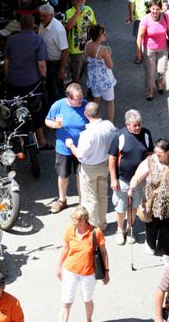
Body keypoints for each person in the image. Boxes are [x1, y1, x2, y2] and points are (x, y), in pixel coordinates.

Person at [129, 139, 169, 264]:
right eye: (156, 151)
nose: (157, 154)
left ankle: (166, 254)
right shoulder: (149, 162)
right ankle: (150, 243)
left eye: (160, 152)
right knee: (151, 227)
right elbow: (136, 178)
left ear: (168, 152)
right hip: (152, 204)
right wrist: (131, 188)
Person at [52, 205, 110, 322]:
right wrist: (59, 267)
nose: (72, 223)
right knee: (66, 303)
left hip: (88, 274)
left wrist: (106, 272)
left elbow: (103, 252)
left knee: (87, 299)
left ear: (84, 220)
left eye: (75, 220)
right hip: (70, 271)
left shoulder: (96, 233)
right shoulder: (70, 230)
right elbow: (66, 249)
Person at [65, 102, 116, 230]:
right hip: (104, 165)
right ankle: (102, 223)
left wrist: (71, 145)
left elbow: (80, 155)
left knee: (90, 199)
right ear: (100, 112)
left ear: (85, 114)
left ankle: (93, 227)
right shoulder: (109, 125)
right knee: (103, 196)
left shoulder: (87, 134)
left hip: (89, 169)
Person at [4, 14, 49, 149]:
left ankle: (16, 140)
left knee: (14, 108)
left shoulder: (11, 40)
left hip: (14, 81)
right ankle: (41, 141)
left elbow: (6, 63)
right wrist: (43, 76)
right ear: (33, 25)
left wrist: (8, 78)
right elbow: (41, 65)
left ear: (20, 25)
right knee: (36, 110)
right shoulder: (38, 40)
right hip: (32, 83)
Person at [108, 110, 153, 245]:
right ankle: (120, 230)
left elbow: (149, 154)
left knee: (133, 207)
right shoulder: (119, 136)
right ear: (128, 124)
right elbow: (112, 158)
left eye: (139, 124)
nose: (138, 127)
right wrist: (113, 179)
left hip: (139, 179)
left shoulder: (146, 133)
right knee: (121, 207)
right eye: (135, 125)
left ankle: (130, 228)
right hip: (122, 180)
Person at [45, 83, 88, 213]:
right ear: (68, 98)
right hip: (64, 148)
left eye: (81, 97)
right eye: (77, 98)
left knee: (81, 176)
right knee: (63, 175)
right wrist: (53, 124)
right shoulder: (58, 105)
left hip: (82, 149)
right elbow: (47, 120)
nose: (81, 100)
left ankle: (82, 203)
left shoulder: (86, 105)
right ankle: (62, 200)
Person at [136, 0, 169, 100]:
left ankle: (159, 82)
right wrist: (138, 51)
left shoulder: (165, 17)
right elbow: (140, 36)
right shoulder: (145, 20)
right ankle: (150, 90)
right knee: (150, 72)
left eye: (157, 9)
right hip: (149, 49)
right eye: (153, 9)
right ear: (149, 9)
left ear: (160, 9)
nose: (155, 11)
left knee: (162, 70)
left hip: (163, 48)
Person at [84, 24, 116, 122]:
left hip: (93, 78)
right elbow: (110, 65)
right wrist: (108, 54)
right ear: (98, 36)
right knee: (110, 101)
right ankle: (110, 123)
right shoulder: (102, 49)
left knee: (96, 101)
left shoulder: (88, 44)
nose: (105, 35)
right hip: (104, 79)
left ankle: (95, 121)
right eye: (103, 33)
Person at [38, 4, 69, 106]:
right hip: (45, 62)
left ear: (51, 15)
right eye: (40, 15)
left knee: (57, 92)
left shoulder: (58, 30)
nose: (41, 18)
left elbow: (65, 51)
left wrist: (61, 70)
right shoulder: (43, 23)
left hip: (55, 64)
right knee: (49, 89)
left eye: (44, 16)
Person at [64, 0, 96, 83]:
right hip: (76, 48)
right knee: (76, 72)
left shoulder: (89, 9)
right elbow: (68, 26)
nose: (80, 3)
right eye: (77, 1)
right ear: (73, 2)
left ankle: (92, 89)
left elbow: (94, 25)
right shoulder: (69, 12)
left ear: (85, 1)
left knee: (90, 69)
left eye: (82, 0)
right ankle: (76, 89)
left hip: (88, 46)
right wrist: (77, 13)